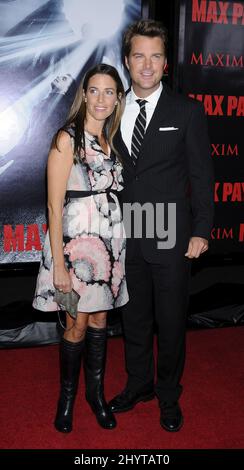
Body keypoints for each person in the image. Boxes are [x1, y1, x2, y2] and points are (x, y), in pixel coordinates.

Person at [108, 20, 214, 432]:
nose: (147, 65)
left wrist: (202, 230)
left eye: (155, 56)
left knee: (170, 322)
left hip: (170, 232)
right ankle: (139, 385)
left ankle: (168, 395)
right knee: (133, 318)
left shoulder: (187, 111)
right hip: (125, 231)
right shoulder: (111, 109)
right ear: (127, 61)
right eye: (139, 56)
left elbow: (202, 177)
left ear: (166, 64)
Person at [32, 63, 128, 432]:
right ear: (83, 94)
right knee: (76, 326)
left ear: (117, 98)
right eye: (95, 90)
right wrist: (59, 265)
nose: (101, 98)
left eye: (109, 92)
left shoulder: (111, 138)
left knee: (101, 321)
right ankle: (67, 399)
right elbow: (54, 207)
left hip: (109, 249)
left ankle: (97, 395)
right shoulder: (66, 138)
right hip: (74, 251)